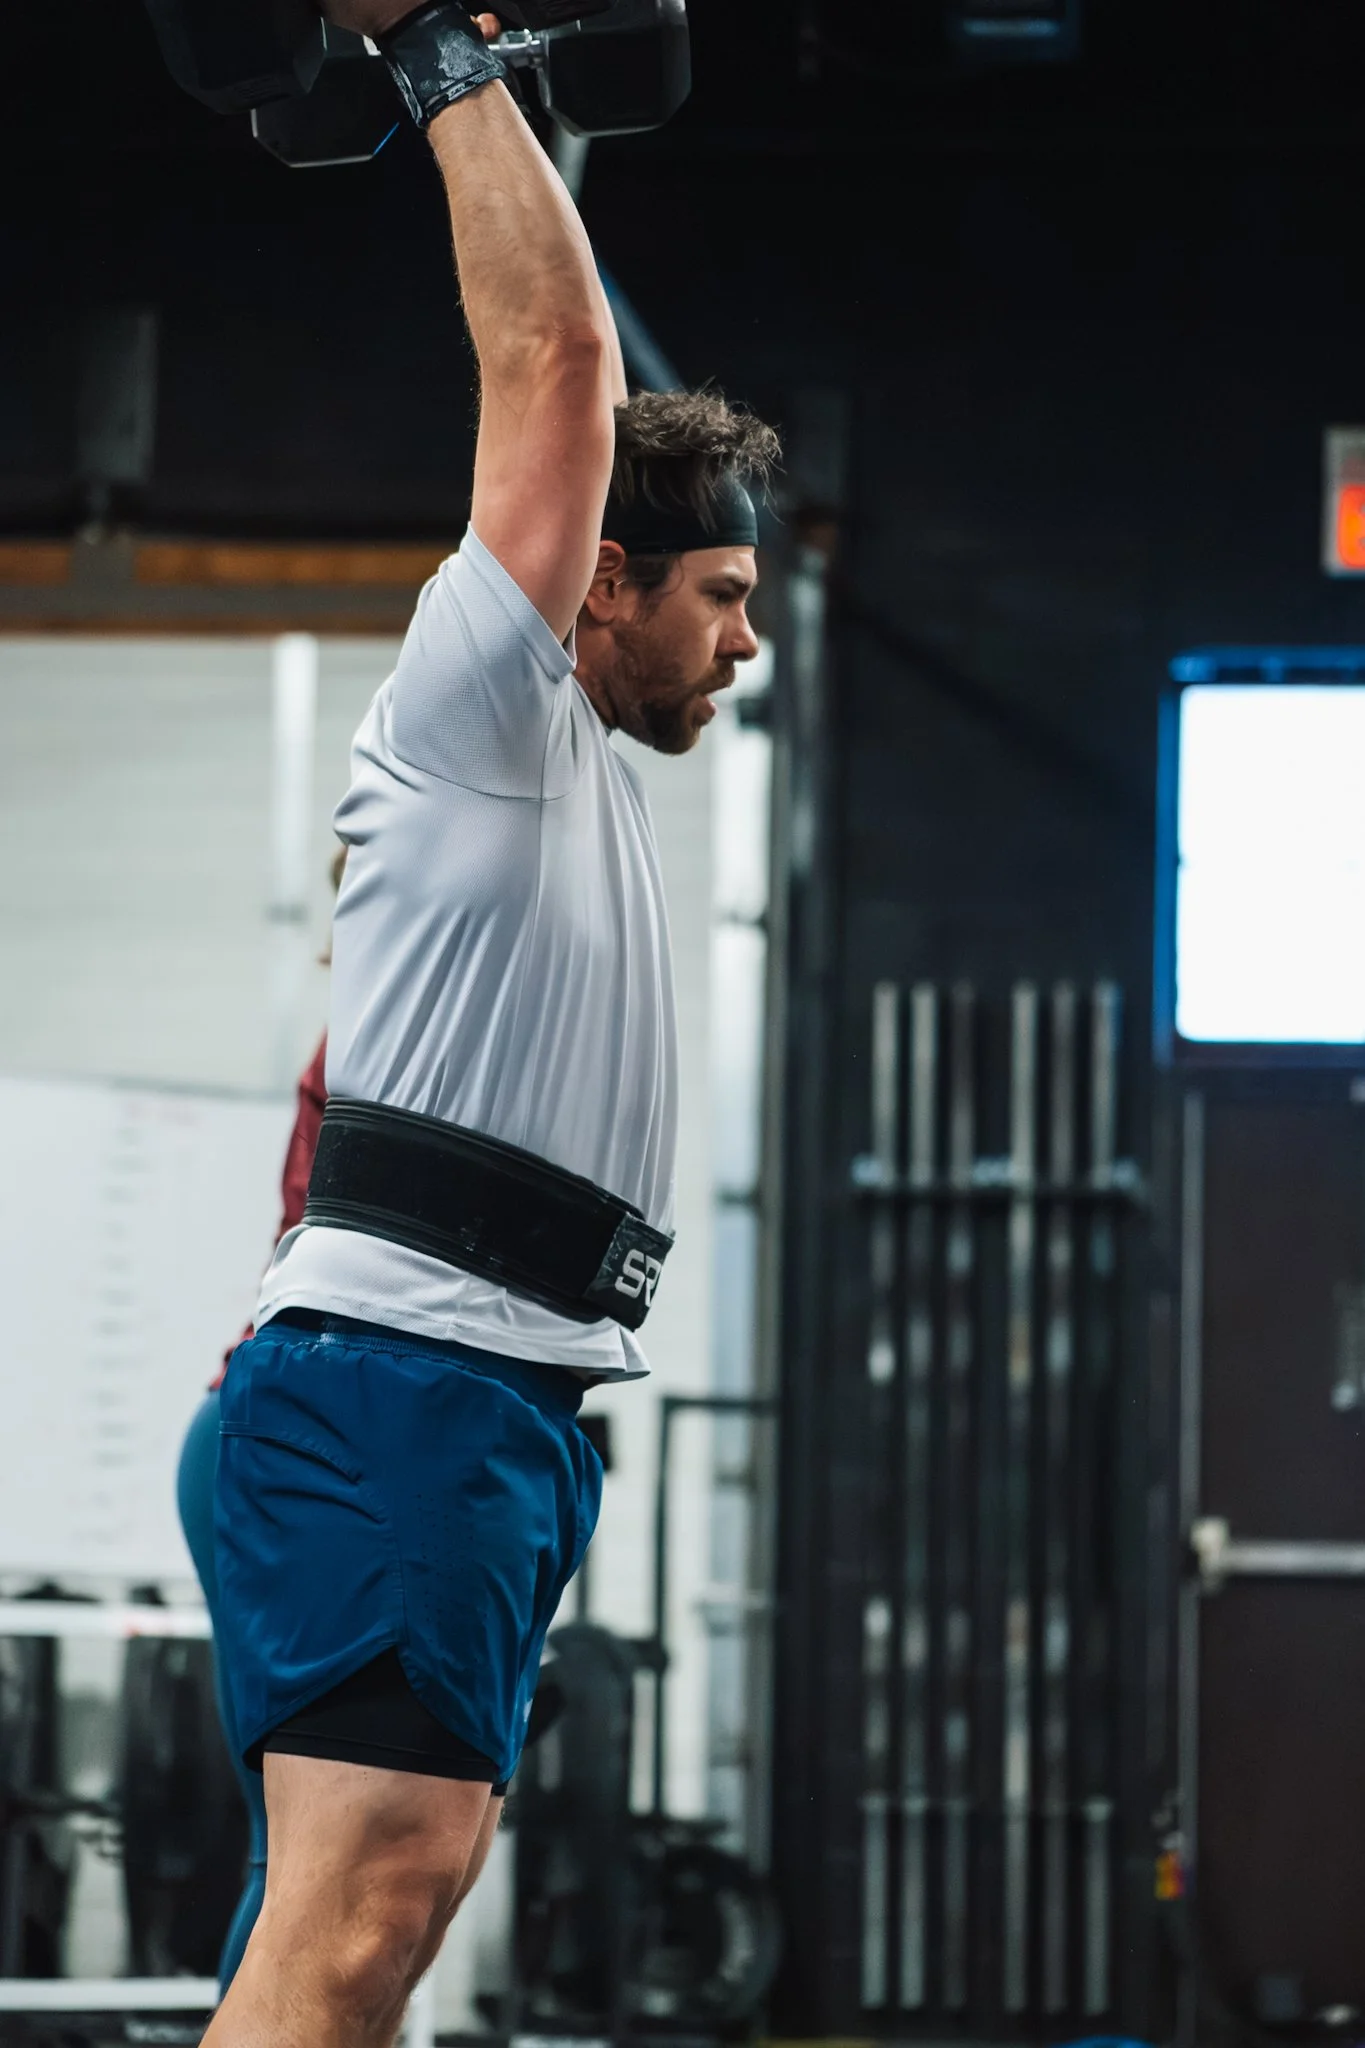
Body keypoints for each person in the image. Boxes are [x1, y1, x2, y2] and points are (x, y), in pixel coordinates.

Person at [204, 3, 779, 2041]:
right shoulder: (484, 706)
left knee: (364, 1920)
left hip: (481, 1401)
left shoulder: (575, 786)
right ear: (595, 582)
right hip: (399, 1390)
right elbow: (551, 363)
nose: (746, 637)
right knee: (361, 1919)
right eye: (718, 593)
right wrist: (442, 58)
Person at [176, 1034, 327, 1989]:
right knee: (300, 1856)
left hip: (285, 1440)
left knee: (339, 1865)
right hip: (267, 1442)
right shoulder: (372, 1029)